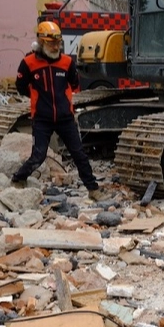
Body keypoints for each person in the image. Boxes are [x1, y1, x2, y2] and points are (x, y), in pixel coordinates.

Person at [12, 21, 109, 201]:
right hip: (41, 119)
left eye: (57, 42)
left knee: (79, 153)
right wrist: (38, 99)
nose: (55, 46)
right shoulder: (28, 63)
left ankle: (93, 189)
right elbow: (21, 86)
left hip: (65, 118)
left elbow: (74, 84)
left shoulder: (66, 63)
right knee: (38, 155)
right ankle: (18, 179)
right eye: (51, 43)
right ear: (41, 42)